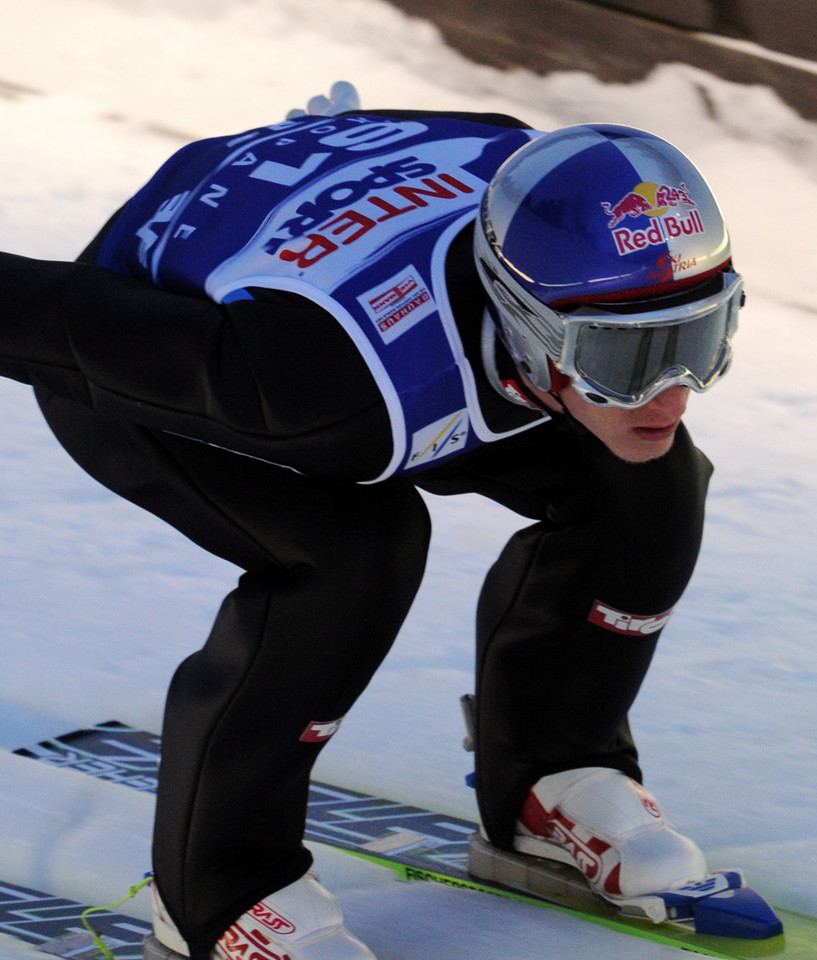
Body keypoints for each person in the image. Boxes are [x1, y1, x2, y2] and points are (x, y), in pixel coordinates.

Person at [0, 83, 744, 960]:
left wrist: (340, 140)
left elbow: (482, 137)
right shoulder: (306, 380)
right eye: (626, 359)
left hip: (421, 300)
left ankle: (552, 772)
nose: (670, 393)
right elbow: (59, 322)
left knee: (647, 488)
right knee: (353, 553)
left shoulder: (557, 214)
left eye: (697, 340)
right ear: (524, 319)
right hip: (178, 363)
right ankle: (221, 890)